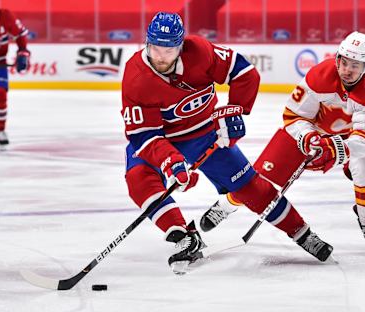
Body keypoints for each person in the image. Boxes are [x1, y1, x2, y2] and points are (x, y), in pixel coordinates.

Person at [121, 12, 333, 273]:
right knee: (139, 178)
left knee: (251, 188)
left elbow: (243, 72)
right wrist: (171, 162)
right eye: (156, 48)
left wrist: (234, 111)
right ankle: (184, 236)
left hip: (204, 133)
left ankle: (301, 232)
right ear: (146, 43)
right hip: (160, 138)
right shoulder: (135, 77)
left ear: (181, 45)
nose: (161, 57)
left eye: (169, 49)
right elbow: (144, 136)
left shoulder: (199, 51)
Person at [200, 31, 365, 254]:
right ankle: (226, 206)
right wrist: (308, 136)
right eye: (344, 62)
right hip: (307, 133)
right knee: (258, 179)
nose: (347, 70)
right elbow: (293, 117)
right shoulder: (320, 75)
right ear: (338, 58)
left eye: (355, 65)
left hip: (345, 139)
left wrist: (337, 148)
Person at [0, 8, 30, 147]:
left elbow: (20, 35)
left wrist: (23, 52)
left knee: (0, 94)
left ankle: (0, 130)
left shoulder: (6, 16)